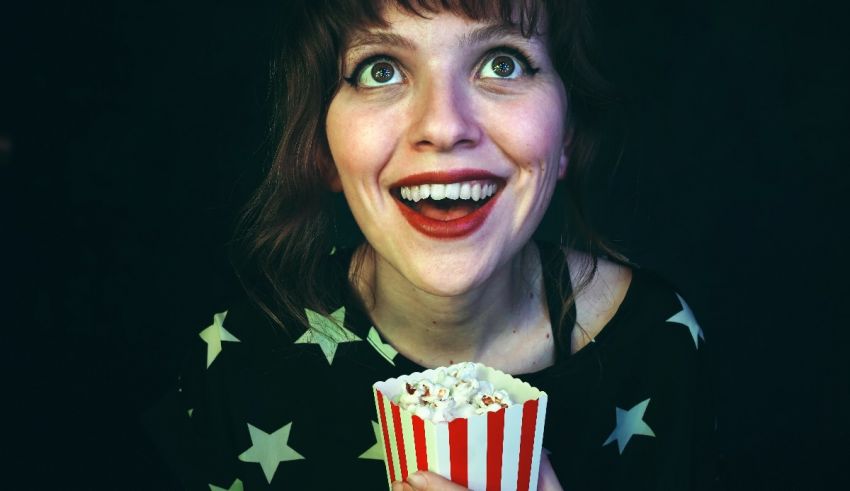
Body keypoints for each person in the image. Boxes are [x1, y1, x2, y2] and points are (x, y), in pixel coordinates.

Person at [144, 0, 721, 489]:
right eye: (380, 70)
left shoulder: (657, 346)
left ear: (566, 135)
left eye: (503, 62)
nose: (444, 127)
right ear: (321, 147)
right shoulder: (238, 363)